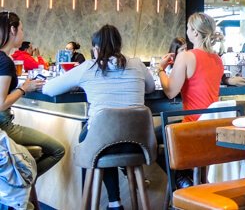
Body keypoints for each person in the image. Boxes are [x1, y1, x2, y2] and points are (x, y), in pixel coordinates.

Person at [43, 25, 155, 210]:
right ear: (119, 45)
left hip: (102, 144)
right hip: (137, 143)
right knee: (105, 136)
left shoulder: (88, 67)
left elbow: (49, 89)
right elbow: (150, 88)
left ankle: (114, 203)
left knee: (96, 137)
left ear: (95, 49)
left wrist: (78, 84)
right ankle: (115, 202)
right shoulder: (137, 64)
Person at [0, 12, 65, 191]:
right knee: (58, 149)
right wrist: (24, 89)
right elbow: (1, 103)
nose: (23, 33)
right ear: (12, 30)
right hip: (3, 127)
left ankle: (15, 184)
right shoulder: (5, 62)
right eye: (21, 29)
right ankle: (20, 185)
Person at [157, 13, 224, 122]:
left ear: (195, 33)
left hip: (193, 126)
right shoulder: (218, 59)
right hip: (213, 125)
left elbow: (170, 92)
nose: (187, 31)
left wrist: (160, 69)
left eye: (188, 28)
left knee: (157, 134)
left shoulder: (186, 56)